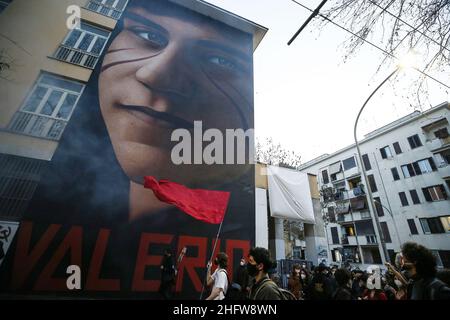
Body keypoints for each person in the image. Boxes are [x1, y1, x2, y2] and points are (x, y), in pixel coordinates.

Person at [18, 0, 256, 299]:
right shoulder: (68, 197)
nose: (156, 75)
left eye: (221, 61)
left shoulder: (231, 220)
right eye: (148, 35)